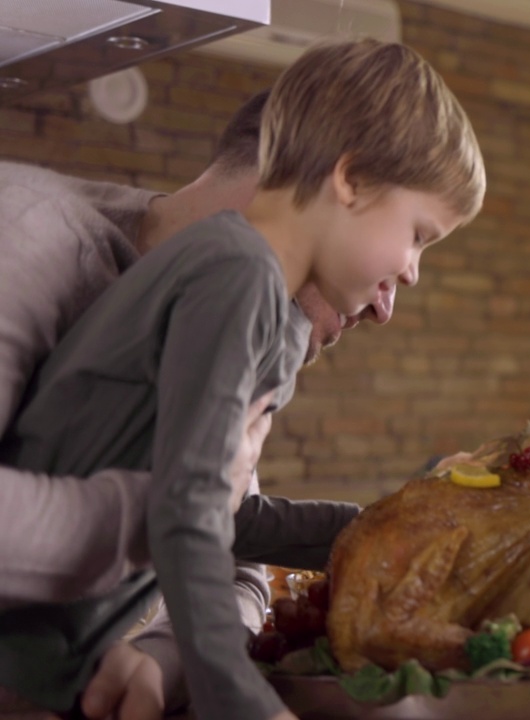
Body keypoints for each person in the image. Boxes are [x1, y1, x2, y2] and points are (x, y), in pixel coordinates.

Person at [0, 37, 485, 720]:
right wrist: (240, 699)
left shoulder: (234, 283)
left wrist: (394, 525)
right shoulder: (233, 277)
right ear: (348, 181)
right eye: (419, 236)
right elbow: (192, 509)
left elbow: (232, 522)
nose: (402, 283)